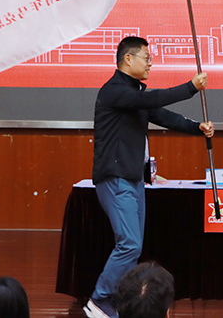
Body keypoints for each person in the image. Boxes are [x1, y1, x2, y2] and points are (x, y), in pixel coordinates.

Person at [86, 36, 214, 318]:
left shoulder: (135, 94)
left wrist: (197, 128)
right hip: (115, 177)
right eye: (147, 58)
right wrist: (190, 87)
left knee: (132, 246)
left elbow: (165, 116)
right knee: (129, 244)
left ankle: (121, 302)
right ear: (128, 59)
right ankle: (99, 299)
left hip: (133, 178)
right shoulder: (114, 90)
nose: (150, 63)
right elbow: (152, 99)